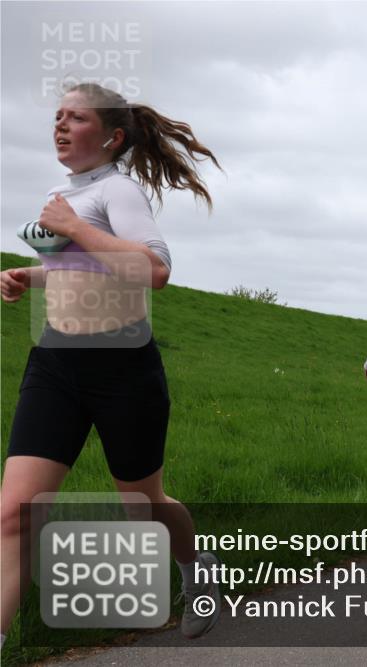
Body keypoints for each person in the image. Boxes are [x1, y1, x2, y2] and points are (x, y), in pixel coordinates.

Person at [0, 83, 222, 642]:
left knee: (142, 502)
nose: (60, 125)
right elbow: (88, 270)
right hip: (54, 362)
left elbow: (155, 269)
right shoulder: (60, 190)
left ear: (111, 136)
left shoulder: (120, 191)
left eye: (74, 118)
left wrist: (73, 227)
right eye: (57, 116)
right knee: (14, 514)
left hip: (122, 370)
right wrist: (34, 275)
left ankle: (198, 572)